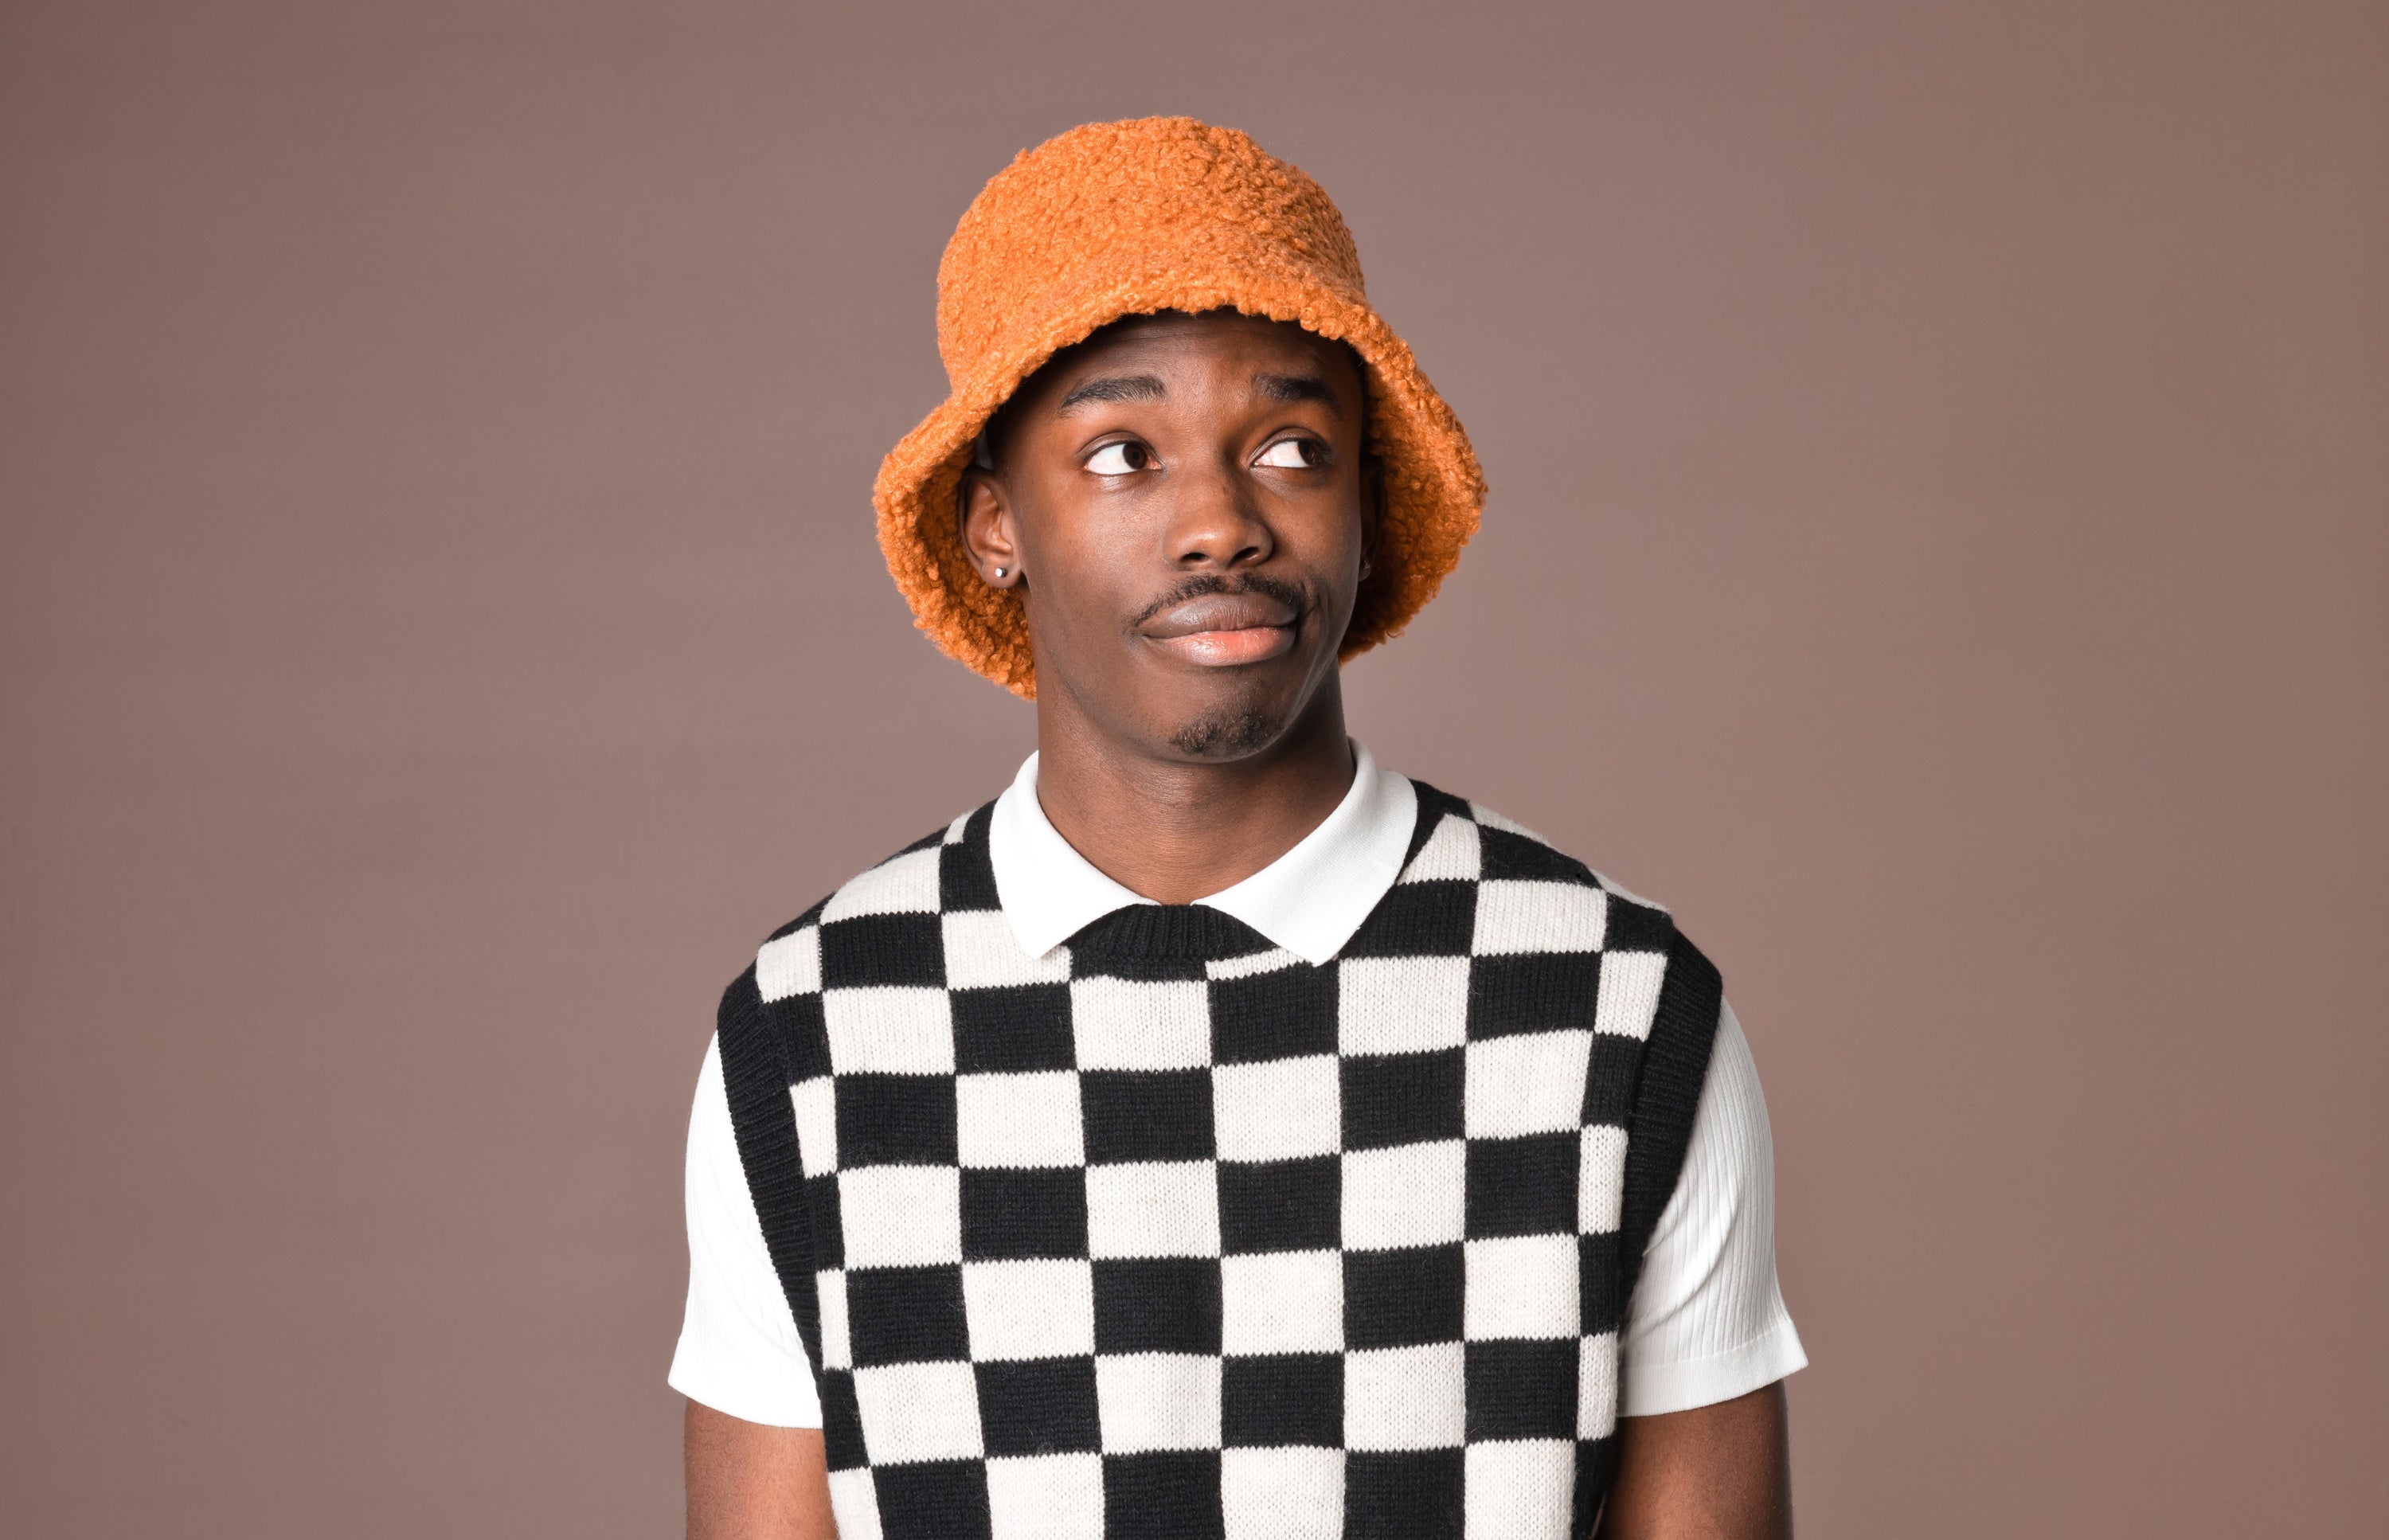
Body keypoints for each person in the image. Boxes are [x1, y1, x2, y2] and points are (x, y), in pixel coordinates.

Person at [671, 116, 1804, 1539]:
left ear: (1369, 505)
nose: (1219, 523)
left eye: (1290, 445)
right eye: (1120, 454)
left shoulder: (1612, 1012)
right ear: (991, 527)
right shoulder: (818, 1033)